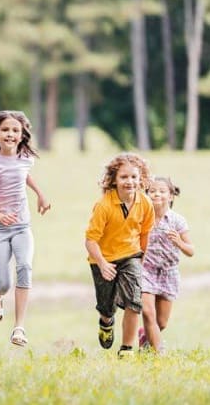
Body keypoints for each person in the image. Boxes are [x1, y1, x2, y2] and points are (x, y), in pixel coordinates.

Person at [0, 110, 50, 347]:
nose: (11, 134)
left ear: (21, 135)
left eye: (15, 130)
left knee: (25, 267)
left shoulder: (25, 158)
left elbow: (24, 175)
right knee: (4, 283)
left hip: (22, 226)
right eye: (6, 130)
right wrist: (0, 216)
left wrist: (40, 194)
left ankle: (19, 328)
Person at [85, 153, 155, 358]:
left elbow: (145, 234)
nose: (130, 181)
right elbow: (90, 241)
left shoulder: (145, 203)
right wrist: (102, 263)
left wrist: (140, 261)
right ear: (114, 180)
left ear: (141, 178)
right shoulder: (104, 205)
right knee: (106, 306)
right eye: (124, 177)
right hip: (102, 258)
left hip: (131, 256)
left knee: (134, 302)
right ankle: (106, 322)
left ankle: (126, 349)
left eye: (134, 177)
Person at [138, 177, 194, 352]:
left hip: (168, 273)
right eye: (153, 191)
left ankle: (145, 341)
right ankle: (160, 354)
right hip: (145, 270)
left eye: (162, 191)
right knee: (148, 313)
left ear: (171, 196)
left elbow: (191, 251)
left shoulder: (177, 221)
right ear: (147, 195)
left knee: (161, 323)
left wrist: (179, 242)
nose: (157, 194)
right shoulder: (140, 217)